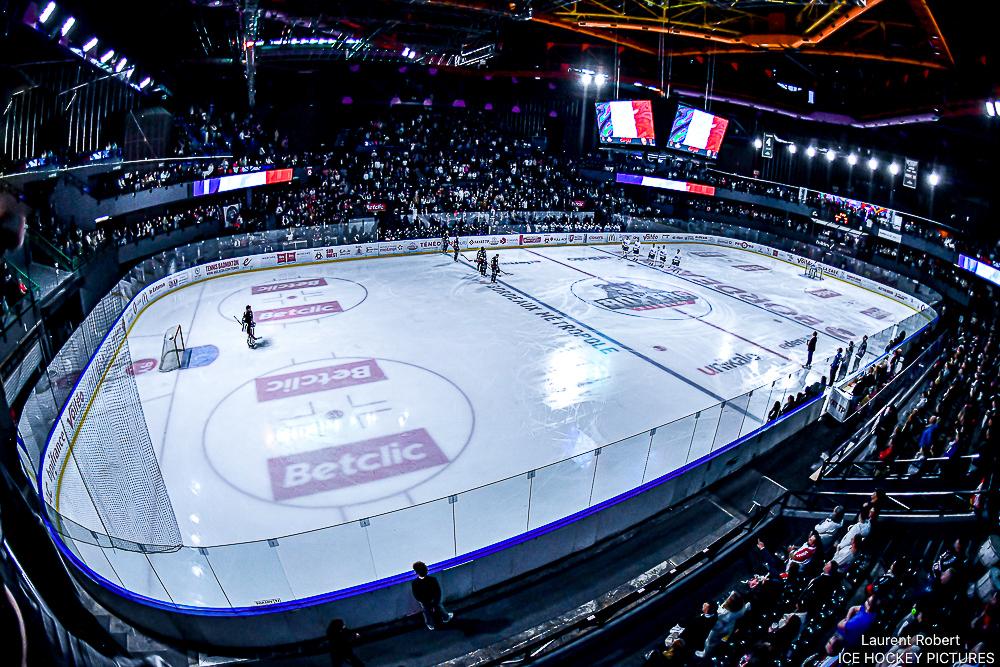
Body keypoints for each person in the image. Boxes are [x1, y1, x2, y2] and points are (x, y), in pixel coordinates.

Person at [411, 561, 453, 630]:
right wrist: (436, 600)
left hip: (425, 601)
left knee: (426, 612)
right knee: (439, 607)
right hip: (433, 599)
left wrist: (423, 601)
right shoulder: (432, 580)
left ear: (416, 572)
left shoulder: (415, 583)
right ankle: (446, 617)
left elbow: (416, 595)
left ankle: (430, 624)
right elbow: (438, 591)